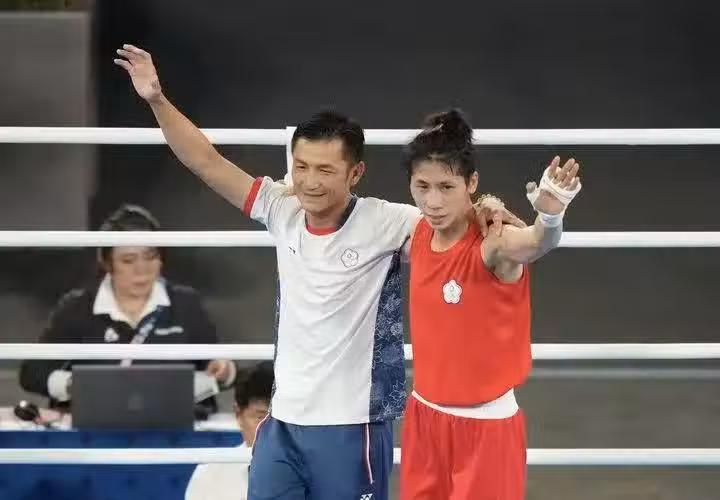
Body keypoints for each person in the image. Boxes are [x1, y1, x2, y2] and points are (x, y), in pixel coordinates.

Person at [113, 44, 524, 500]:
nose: (310, 182)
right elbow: (205, 160)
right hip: (283, 421)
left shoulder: (391, 222)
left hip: (353, 424)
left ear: (355, 173)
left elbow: (449, 218)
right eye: (302, 168)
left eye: (325, 170)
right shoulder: (279, 207)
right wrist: (157, 99)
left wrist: (489, 207)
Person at [399, 109, 582, 500]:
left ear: (471, 182)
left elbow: (535, 243)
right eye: (422, 186)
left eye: (446, 187)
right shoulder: (414, 231)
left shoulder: (493, 240)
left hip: (485, 429)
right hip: (424, 419)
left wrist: (549, 218)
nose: (433, 201)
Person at [18, 204, 236, 416]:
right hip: (97, 426)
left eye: (150, 257)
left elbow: (223, 370)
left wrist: (224, 370)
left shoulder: (186, 304)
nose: (142, 270)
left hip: (172, 426)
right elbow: (32, 373)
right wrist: (73, 385)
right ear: (107, 264)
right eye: (128, 260)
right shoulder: (77, 308)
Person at [185, 361, 274, 500]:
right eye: (261, 417)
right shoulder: (210, 474)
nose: (275, 430)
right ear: (238, 415)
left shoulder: (311, 474)